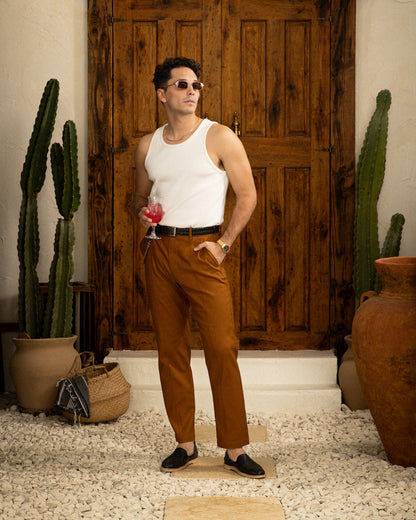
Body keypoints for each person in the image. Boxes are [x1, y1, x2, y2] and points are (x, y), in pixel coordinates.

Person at [132, 57, 265, 479]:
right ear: (162, 93)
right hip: (160, 251)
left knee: (222, 347)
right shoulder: (147, 145)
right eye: (181, 85)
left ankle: (235, 447)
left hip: (203, 250)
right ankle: (184, 445)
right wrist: (147, 216)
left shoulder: (219, 136)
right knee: (170, 350)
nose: (192, 91)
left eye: (196, 85)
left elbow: (248, 196)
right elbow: (140, 200)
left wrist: (223, 244)